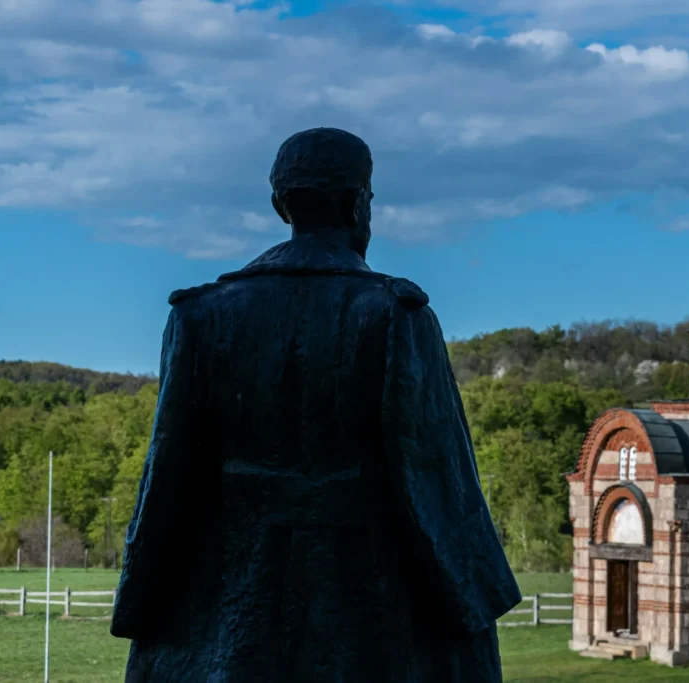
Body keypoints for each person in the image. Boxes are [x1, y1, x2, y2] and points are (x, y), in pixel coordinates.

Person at [110, 128, 521, 682]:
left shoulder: (199, 316)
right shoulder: (397, 314)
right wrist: (473, 600)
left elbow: (167, 478)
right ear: (357, 204)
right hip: (365, 603)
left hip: (227, 600)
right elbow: (436, 478)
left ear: (281, 204)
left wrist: (145, 602)